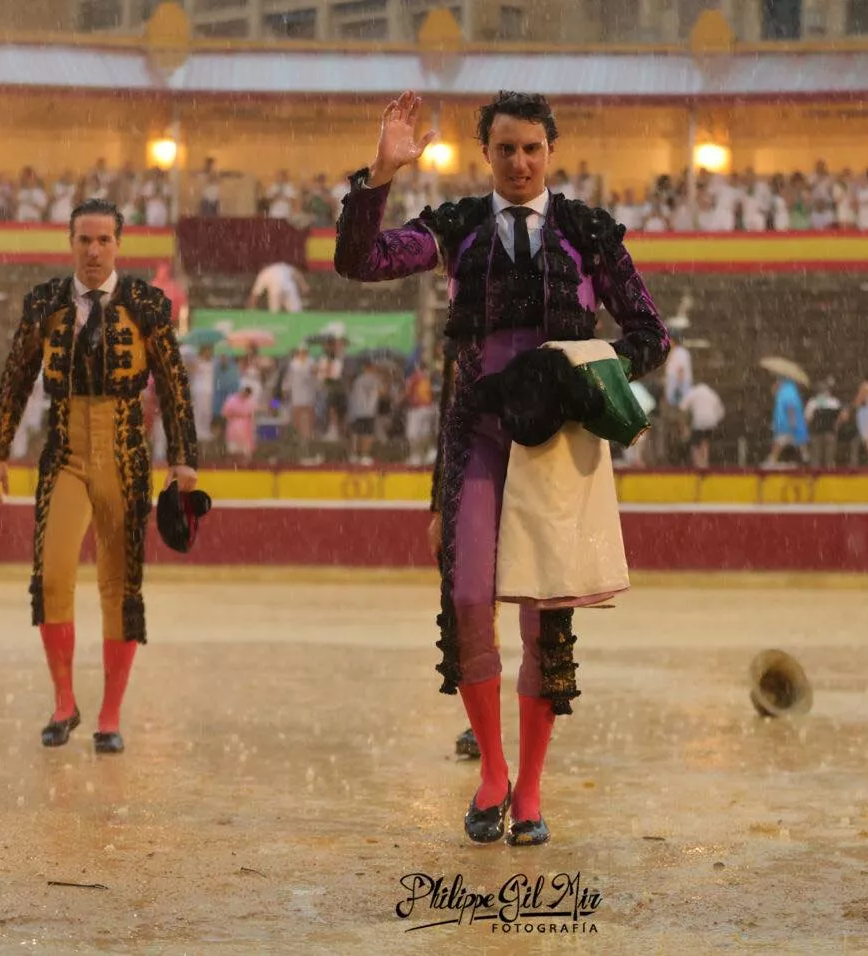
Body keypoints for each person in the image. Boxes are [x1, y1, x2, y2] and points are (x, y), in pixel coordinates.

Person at [335, 90, 668, 846]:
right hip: (477, 431)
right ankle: (492, 769)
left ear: (551, 153)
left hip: (557, 440)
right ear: (487, 155)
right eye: (506, 149)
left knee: (544, 615)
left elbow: (651, 333)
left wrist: (587, 370)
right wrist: (379, 176)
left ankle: (532, 790)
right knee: (469, 594)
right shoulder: (457, 227)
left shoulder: (587, 232)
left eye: (531, 149)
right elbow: (359, 261)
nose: (519, 163)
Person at [0, 198, 199, 755]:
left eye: (104, 241)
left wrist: (184, 456)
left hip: (126, 460)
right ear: (71, 243)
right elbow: (16, 376)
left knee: (119, 589)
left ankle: (108, 714)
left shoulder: (146, 304)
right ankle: (63, 702)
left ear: (119, 245)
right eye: (85, 240)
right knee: (51, 576)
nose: (94, 251)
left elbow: (173, 384)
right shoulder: (47, 304)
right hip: (66, 457)